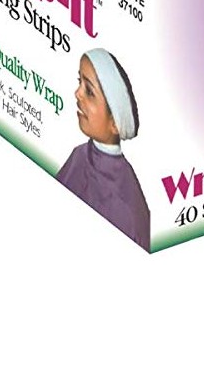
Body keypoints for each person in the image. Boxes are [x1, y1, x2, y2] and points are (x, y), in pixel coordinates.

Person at [57, 48, 150, 250]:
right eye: (79, 82)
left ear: (115, 123)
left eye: (89, 92)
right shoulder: (78, 155)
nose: (77, 93)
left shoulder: (126, 206)